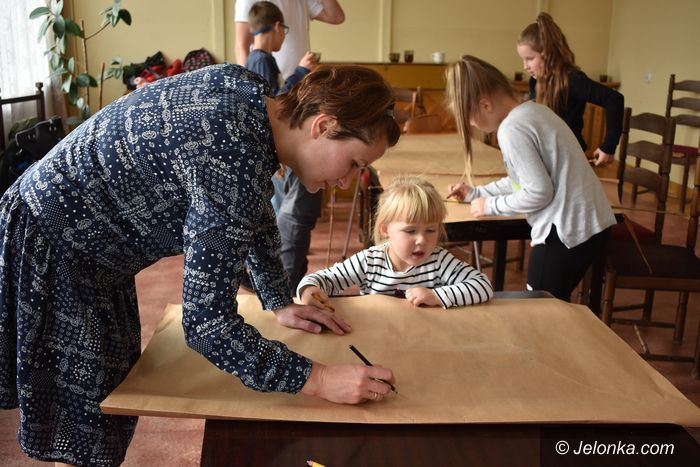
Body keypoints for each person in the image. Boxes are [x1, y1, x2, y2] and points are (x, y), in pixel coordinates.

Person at [0, 63, 401, 466]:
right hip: (57, 245)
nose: (347, 181)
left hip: (73, 236)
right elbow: (208, 326)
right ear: (323, 125)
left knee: (100, 408)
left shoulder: (250, 94)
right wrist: (319, 378)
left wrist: (278, 298)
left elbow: (251, 208)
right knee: (83, 427)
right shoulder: (231, 158)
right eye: (355, 163)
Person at [445, 55, 617, 302]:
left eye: (469, 118)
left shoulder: (512, 129)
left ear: (485, 105)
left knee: (539, 308)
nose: (473, 125)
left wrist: (490, 206)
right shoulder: (535, 111)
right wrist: (476, 193)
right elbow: (522, 181)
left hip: (566, 230)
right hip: (590, 224)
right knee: (552, 306)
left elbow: (538, 192)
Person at [298, 176, 493, 309]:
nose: (422, 240)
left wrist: (436, 296)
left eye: (431, 230)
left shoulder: (439, 260)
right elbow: (324, 279)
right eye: (410, 231)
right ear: (385, 230)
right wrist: (309, 289)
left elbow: (482, 285)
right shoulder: (369, 261)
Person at [516, 12, 623, 167]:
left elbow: (614, 99)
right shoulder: (535, 81)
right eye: (523, 59)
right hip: (549, 158)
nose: (525, 66)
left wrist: (609, 146)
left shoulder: (572, 80)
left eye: (530, 59)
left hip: (571, 159)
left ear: (547, 54)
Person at [234, 0, 344, 79]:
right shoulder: (262, 60)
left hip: (300, 83)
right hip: (278, 85)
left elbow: (336, 17)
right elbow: (241, 47)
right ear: (278, 27)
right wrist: (248, 90)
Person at [245, 1, 315, 95]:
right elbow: (275, 100)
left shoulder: (257, 58)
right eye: (284, 28)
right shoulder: (262, 60)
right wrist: (301, 71)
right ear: (277, 27)